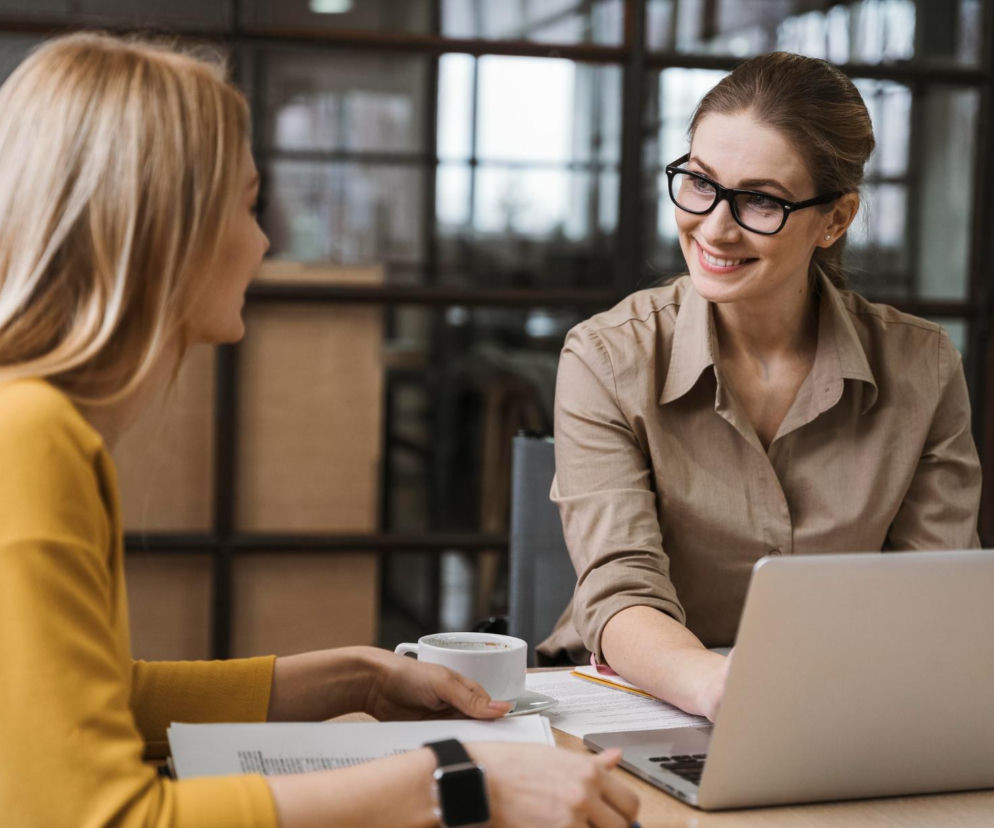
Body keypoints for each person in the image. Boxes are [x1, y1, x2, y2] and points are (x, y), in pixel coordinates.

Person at [0, 33, 640, 828]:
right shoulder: (29, 441)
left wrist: (358, 679)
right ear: (166, 230)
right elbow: (93, 816)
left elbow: (104, 701)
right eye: (246, 205)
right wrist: (454, 778)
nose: (263, 242)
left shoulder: (32, 422)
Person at [538, 52, 982, 721]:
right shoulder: (606, 358)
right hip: (639, 700)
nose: (714, 226)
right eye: (699, 182)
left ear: (834, 219)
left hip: (840, 710)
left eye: (761, 201)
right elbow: (622, 592)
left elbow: (934, 600)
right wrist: (733, 695)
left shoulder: (920, 366)